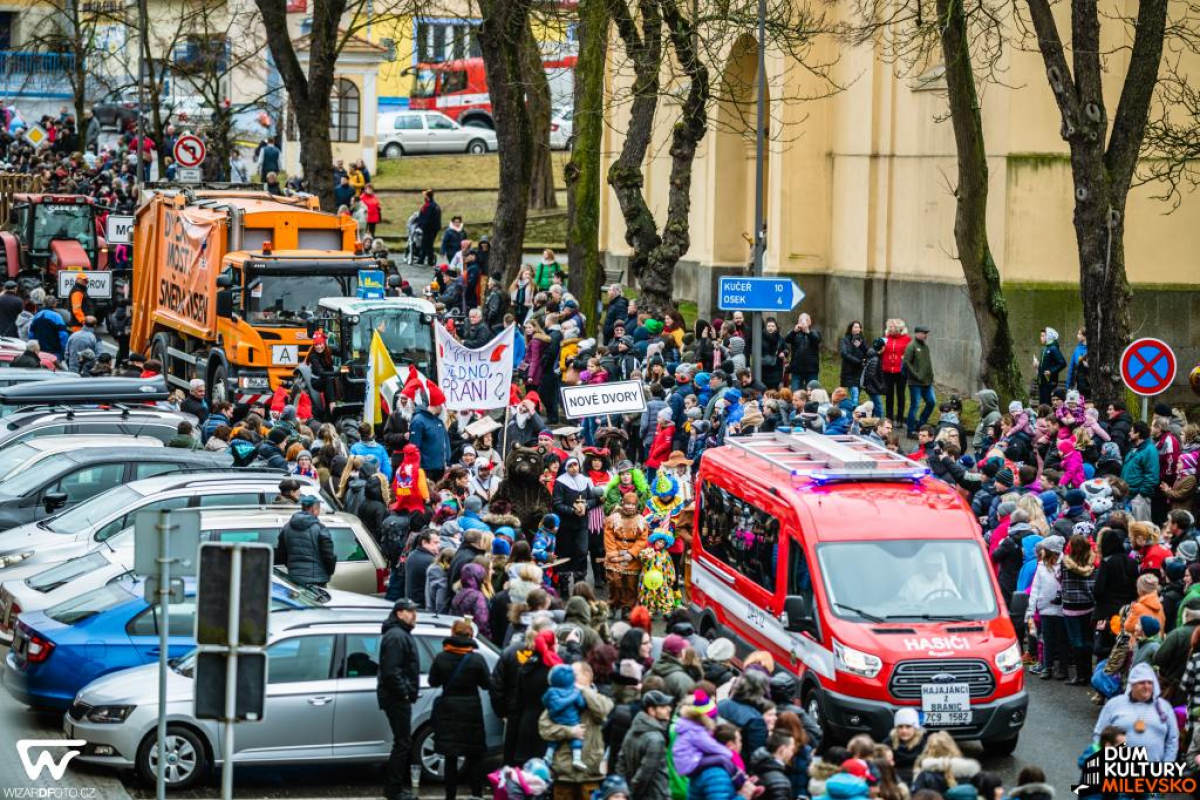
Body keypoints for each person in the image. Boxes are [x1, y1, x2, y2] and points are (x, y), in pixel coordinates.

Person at [428, 617, 491, 800]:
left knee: (450, 756)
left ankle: (450, 796)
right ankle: (477, 794)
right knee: (474, 756)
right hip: (471, 709)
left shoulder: (441, 657)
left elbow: (433, 682)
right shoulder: (476, 659)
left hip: (448, 709)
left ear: (452, 635)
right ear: (470, 635)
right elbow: (486, 684)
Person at [378, 598, 421, 800]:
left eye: (414, 611)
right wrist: (404, 692)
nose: (414, 615)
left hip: (397, 695)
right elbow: (391, 671)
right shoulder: (396, 636)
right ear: (399, 614)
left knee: (403, 742)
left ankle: (396, 788)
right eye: (409, 611)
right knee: (403, 743)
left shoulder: (399, 634)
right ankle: (394, 790)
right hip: (396, 697)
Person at [1094, 662, 1178, 762]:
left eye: (1150, 683)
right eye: (1142, 683)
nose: (1146, 686)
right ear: (1132, 684)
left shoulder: (1164, 707)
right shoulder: (1114, 704)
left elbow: (1172, 739)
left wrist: (1167, 766)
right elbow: (1099, 734)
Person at [616, 689, 673, 800]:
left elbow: (620, 763)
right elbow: (644, 776)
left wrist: (625, 791)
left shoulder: (634, 728)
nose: (669, 709)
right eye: (663, 707)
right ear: (651, 711)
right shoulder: (656, 740)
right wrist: (631, 795)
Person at [275, 495, 336, 588]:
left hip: (295, 579)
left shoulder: (287, 527)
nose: (319, 512)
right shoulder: (320, 528)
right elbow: (328, 556)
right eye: (318, 509)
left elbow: (281, 555)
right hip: (318, 581)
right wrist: (329, 572)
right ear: (313, 509)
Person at [1122, 421, 1160, 522]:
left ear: (1138, 433)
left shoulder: (1150, 450)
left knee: (1142, 530)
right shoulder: (1135, 449)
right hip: (1128, 496)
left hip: (1139, 498)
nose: (1129, 433)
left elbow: (1152, 475)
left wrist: (1142, 494)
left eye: (1131, 431)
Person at [902, 325, 935, 437]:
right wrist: (916, 375)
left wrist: (930, 376)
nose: (926, 335)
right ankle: (910, 431)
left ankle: (921, 424)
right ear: (917, 333)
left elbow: (927, 364)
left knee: (931, 402)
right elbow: (906, 362)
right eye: (924, 333)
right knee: (915, 405)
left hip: (927, 382)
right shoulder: (911, 346)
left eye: (926, 333)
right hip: (915, 382)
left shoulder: (925, 347)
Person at [782, 313, 821, 390]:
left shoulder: (815, 332)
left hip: (811, 369)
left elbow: (817, 340)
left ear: (810, 322)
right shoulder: (794, 333)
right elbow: (786, 340)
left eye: (806, 320)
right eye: (801, 320)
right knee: (795, 392)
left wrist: (807, 331)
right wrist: (794, 331)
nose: (803, 322)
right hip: (797, 369)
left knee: (812, 393)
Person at [1033, 327, 1067, 405]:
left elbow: (1062, 363)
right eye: (1041, 336)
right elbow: (1045, 365)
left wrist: (1051, 372)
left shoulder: (1053, 349)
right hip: (1042, 382)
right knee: (1042, 403)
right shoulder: (1044, 349)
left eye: (1043, 336)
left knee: (1048, 402)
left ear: (1049, 336)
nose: (1041, 338)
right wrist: (1037, 365)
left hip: (1050, 382)